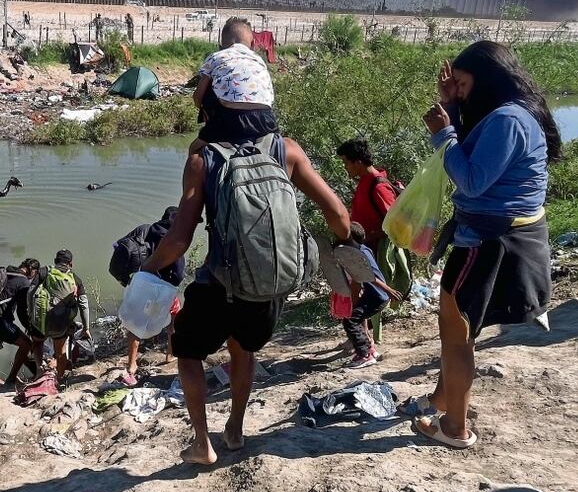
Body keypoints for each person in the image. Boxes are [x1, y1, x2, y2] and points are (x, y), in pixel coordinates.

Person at [141, 119, 353, 465]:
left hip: (217, 284)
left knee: (188, 351)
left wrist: (147, 269)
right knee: (244, 351)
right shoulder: (287, 149)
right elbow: (338, 214)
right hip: (264, 288)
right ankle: (235, 431)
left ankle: (201, 444)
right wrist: (348, 243)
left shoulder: (203, 159)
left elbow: (179, 240)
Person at [414, 40, 560, 450]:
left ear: (487, 78)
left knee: (455, 333)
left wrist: (443, 132)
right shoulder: (512, 115)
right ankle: (443, 399)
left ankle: (454, 428)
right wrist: (453, 108)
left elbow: (472, 178)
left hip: (487, 241)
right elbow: (476, 156)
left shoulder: (508, 121)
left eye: (461, 83)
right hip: (500, 233)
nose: (456, 89)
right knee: (461, 330)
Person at [336, 136, 411, 344]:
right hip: (362, 249)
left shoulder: (378, 186)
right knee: (357, 292)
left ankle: (366, 340)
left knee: (366, 294)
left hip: (373, 250)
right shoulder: (365, 183)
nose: (346, 168)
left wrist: (368, 239)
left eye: (346, 163)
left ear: (358, 162)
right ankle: (362, 336)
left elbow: (392, 224)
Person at [110, 206, 186, 385]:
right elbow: (179, 273)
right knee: (175, 317)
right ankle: (169, 354)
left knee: (136, 324)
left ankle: (132, 364)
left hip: (141, 284)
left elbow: (119, 245)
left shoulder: (145, 230)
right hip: (161, 288)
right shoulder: (173, 239)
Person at [190, 17, 279, 154]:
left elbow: (198, 97)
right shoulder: (259, 60)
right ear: (253, 44)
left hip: (230, 120)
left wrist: (201, 106)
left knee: (194, 149)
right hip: (265, 119)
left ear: (221, 45)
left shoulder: (216, 57)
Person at [329, 223, 402, 368]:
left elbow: (371, 276)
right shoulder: (364, 250)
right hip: (373, 295)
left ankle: (365, 355)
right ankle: (370, 350)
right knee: (358, 318)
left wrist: (389, 290)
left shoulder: (358, 256)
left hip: (377, 296)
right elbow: (358, 281)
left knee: (350, 322)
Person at [19, 249, 92, 384]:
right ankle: (58, 378)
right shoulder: (75, 279)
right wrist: (86, 328)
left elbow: (30, 292)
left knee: (37, 343)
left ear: (55, 261)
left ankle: (39, 372)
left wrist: (30, 313)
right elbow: (83, 304)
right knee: (60, 350)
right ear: (71, 263)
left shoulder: (44, 271)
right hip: (60, 324)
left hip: (41, 322)